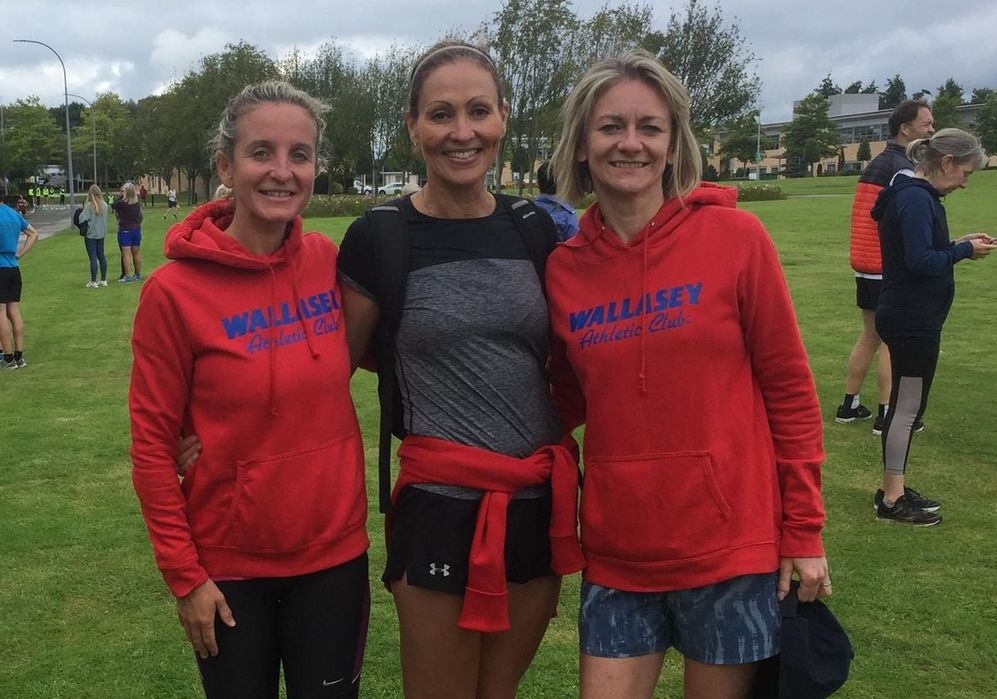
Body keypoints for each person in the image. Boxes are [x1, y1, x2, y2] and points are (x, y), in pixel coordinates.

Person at [546, 50, 829, 699]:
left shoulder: (736, 238)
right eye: (610, 126)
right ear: (582, 144)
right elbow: (560, 398)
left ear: (673, 143)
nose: (630, 143)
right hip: (617, 551)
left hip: (728, 548)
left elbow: (788, 388)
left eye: (649, 127)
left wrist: (803, 529)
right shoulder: (563, 268)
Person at [337, 39, 583, 698]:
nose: (461, 132)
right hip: (438, 509)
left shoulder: (536, 231)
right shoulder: (379, 237)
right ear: (412, 126)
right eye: (440, 114)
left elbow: (583, 357)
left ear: (504, 115)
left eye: (478, 110)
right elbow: (324, 376)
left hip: (535, 501)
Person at [129, 81, 370, 698]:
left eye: (301, 155)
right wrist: (185, 578)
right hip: (228, 569)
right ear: (225, 166)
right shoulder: (173, 293)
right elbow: (153, 449)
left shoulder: (326, 261)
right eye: (262, 152)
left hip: (334, 559)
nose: (282, 172)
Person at [871, 128, 994, 526]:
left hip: (913, 316)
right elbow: (921, 260)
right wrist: (963, 250)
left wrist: (958, 242)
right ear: (946, 163)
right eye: (965, 173)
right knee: (906, 408)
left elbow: (921, 250)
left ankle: (896, 485)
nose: (965, 182)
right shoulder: (914, 199)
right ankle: (891, 498)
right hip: (910, 319)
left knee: (909, 405)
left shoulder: (916, 197)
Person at [836, 100, 934, 434]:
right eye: (926, 124)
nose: (931, 130)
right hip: (883, 265)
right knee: (892, 341)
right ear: (905, 129)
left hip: (863, 263)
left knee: (871, 334)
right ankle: (886, 416)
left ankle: (849, 406)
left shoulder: (879, 161)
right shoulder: (902, 167)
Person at [0, 201, 39, 369]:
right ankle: (19, 356)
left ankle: (7, 357)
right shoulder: (13, 213)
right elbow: (33, 234)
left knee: (1, 312)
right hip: (13, 267)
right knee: (13, 309)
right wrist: (20, 254)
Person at [534, 161, 579, 241]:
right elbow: (576, 244)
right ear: (561, 183)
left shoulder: (528, 212)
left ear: (537, 183)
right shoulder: (566, 215)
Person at [111, 182, 144, 282]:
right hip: (136, 229)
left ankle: (128, 276)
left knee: (126, 254)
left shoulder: (121, 203)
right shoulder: (136, 203)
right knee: (136, 253)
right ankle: (138, 274)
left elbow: (113, 205)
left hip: (125, 230)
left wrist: (121, 196)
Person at [78, 184, 110, 288]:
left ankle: (93, 281)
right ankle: (104, 279)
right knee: (101, 256)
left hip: (91, 235)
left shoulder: (89, 206)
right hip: (101, 234)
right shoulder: (105, 205)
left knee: (93, 257)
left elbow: (81, 218)